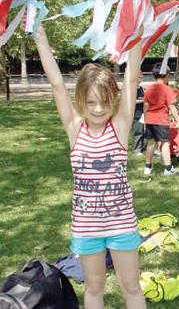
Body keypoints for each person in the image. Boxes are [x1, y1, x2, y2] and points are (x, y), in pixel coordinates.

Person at [33, 26, 146, 309]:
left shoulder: (119, 127)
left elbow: (131, 79)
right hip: (86, 228)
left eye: (104, 102)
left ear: (113, 100)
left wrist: (136, 37)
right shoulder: (75, 128)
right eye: (91, 102)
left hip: (121, 225)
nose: (98, 109)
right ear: (80, 101)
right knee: (94, 287)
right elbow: (57, 83)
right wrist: (40, 38)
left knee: (130, 286)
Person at [143, 63, 179, 176]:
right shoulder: (167, 89)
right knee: (165, 143)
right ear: (166, 75)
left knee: (150, 143)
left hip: (149, 120)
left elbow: (145, 106)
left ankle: (147, 167)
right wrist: (178, 121)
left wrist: (146, 119)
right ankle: (168, 168)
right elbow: (172, 106)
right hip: (161, 120)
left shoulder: (149, 89)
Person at [131, 71, 145, 155]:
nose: (140, 79)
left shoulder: (140, 88)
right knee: (138, 131)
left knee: (143, 131)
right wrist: (143, 100)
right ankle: (136, 149)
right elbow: (132, 101)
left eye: (141, 77)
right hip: (136, 113)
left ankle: (142, 147)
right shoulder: (132, 89)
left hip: (142, 112)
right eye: (139, 77)